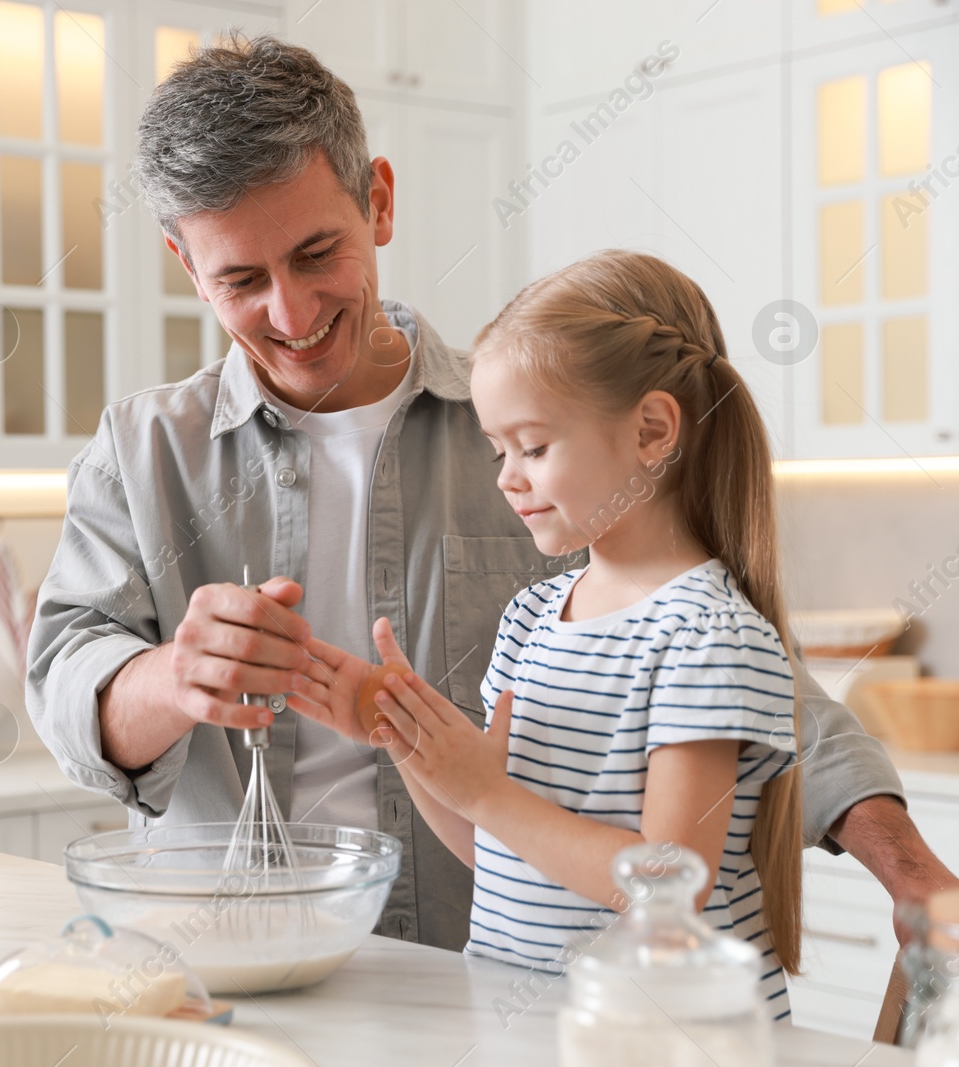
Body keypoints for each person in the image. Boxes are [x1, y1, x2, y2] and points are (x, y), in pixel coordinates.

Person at [25, 34, 959, 952]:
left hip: (480, 979)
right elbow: (69, 681)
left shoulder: (540, 430)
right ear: (187, 266)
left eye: (317, 254)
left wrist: (912, 871)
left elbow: (756, 683)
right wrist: (174, 676)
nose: (293, 313)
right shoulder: (139, 449)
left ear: (379, 202)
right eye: (241, 278)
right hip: (231, 968)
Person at [301, 250, 801, 1015]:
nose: (506, 476)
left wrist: (485, 791)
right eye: (499, 450)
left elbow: (669, 886)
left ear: (652, 431)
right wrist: (402, 738)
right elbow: (498, 852)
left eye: (532, 446)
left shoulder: (707, 637)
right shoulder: (534, 616)